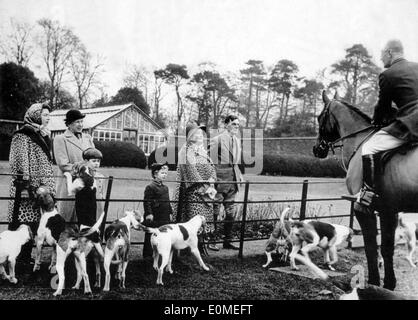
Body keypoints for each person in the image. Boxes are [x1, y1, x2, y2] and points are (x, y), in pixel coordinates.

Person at [356, 39, 418, 212]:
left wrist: (376, 121)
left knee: (368, 147)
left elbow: (383, 105)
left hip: (412, 123)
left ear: (390, 52)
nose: (382, 59)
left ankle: (368, 193)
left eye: (382, 54)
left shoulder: (388, 75)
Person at [7, 102, 55, 266]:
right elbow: (20, 163)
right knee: (23, 223)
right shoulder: (22, 135)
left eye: (49, 115)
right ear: (36, 115)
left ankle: (25, 258)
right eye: (45, 115)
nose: (48, 118)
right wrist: (25, 186)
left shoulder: (42, 133)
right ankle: (18, 258)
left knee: (34, 223)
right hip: (27, 189)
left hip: (39, 189)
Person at [172, 121, 217, 253]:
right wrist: (205, 188)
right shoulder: (186, 151)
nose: (200, 135)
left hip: (206, 192)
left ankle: (201, 245)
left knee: (203, 220)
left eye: (200, 133)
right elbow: (191, 173)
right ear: (189, 136)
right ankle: (190, 248)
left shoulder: (203, 151)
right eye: (196, 133)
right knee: (193, 220)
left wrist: (212, 180)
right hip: (192, 193)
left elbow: (212, 168)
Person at [208, 115, 243, 251]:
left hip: (233, 181)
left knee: (231, 212)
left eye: (238, 125)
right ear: (226, 124)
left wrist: (239, 176)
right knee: (215, 210)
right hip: (219, 181)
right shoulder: (217, 140)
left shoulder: (238, 141)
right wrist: (213, 179)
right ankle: (212, 240)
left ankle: (227, 241)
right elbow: (210, 162)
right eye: (234, 124)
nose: (236, 127)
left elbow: (236, 163)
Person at [53, 109, 95, 222]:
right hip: (69, 184)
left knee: (85, 219)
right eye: (77, 122)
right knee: (67, 219)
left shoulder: (88, 138)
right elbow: (63, 164)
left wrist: (90, 169)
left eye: (82, 121)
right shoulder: (60, 139)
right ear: (69, 124)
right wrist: (82, 168)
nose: (80, 125)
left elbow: (94, 159)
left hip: (87, 184)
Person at [142, 163, 172, 258]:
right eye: (162, 173)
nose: (164, 175)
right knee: (151, 234)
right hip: (155, 215)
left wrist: (170, 212)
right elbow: (147, 202)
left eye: (166, 173)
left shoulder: (165, 187)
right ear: (155, 174)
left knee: (162, 234)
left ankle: (160, 254)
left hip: (164, 215)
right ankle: (148, 255)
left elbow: (167, 201)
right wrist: (149, 213)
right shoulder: (150, 187)